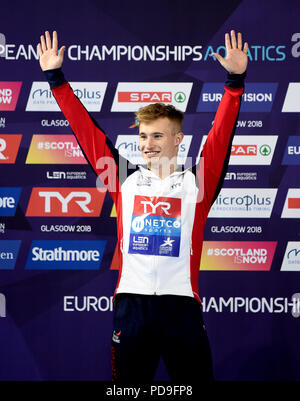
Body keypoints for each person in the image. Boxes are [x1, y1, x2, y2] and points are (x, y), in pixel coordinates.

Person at [38, 30, 248, 382]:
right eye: (142, 136)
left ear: (178, 139)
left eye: (157, 135)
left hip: (182, 307)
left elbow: (221, 135)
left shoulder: (198, 183)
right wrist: (55, 80)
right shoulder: (123, 179)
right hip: (131, 308)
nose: (147, 144)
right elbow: (87, 133)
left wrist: (235, 82)